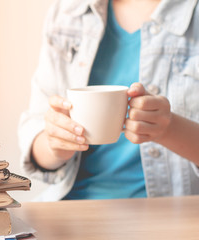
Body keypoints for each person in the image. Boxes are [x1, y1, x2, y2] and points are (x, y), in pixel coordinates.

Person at [18, 0, 199, 201]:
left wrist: (169, 129)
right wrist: (55, 145)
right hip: (69, 208)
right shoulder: (68, 12)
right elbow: (36, 131)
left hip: (166, 213)